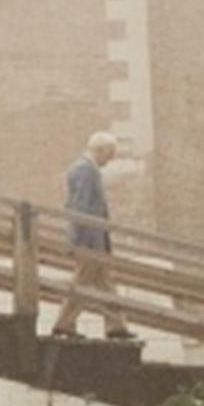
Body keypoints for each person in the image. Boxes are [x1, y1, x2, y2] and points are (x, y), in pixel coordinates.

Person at [45, 131, 137, 342]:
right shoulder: (86, 171)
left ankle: (116, 326)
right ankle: (64, 325)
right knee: (82, 284)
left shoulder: (83, 169)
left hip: (91, 240)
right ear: (100, 150)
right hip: (89, 241)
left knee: (105, 283)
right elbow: (81, 207)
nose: (111, 158)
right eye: (110, 153)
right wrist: (81, 240)